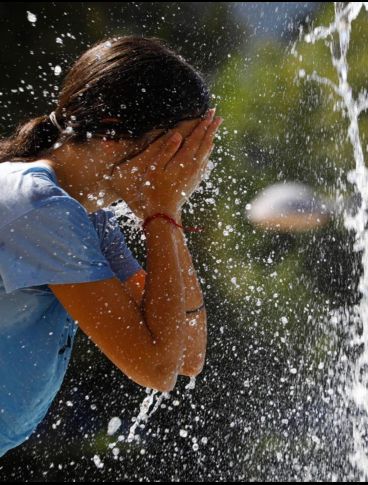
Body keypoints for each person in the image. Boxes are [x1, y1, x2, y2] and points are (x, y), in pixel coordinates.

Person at [0, 36, 223, 457]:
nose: (191, 169)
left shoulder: (86, 214)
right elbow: (155, 367)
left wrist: (164, 212)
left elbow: (186, 355)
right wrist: (162, 208)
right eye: (178, 148)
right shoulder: (38, 206)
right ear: (112, 131)